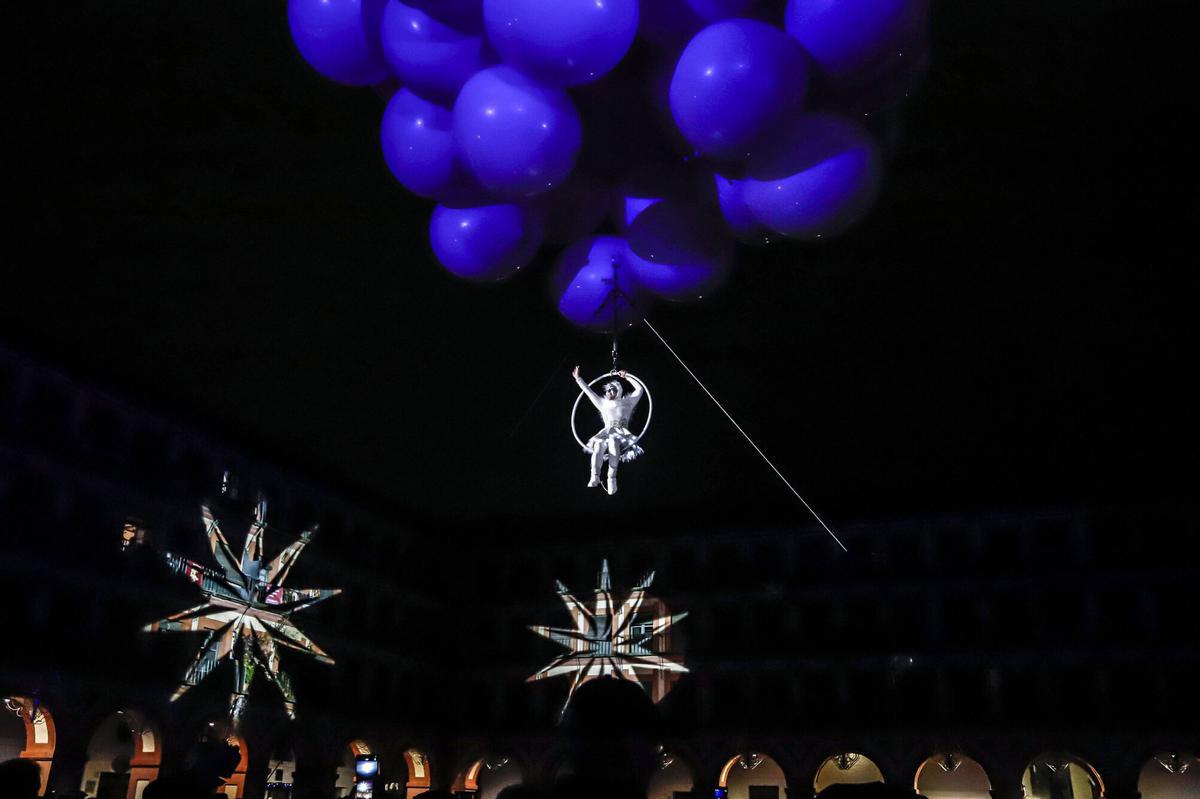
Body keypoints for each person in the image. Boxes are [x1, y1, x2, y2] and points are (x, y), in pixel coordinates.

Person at [572, 366, 645, 495]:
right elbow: (589, 392)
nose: (609, 392)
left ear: (619, 390)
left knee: (613, 440)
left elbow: (640, 389)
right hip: (606, 432)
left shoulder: (628, 403)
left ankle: (611, 478)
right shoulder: (603, 404)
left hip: (621, 434)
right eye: (608, 390)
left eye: (613, 389)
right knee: (599, 444)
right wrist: (578, 379)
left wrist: (627, 377)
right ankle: (595, 475)